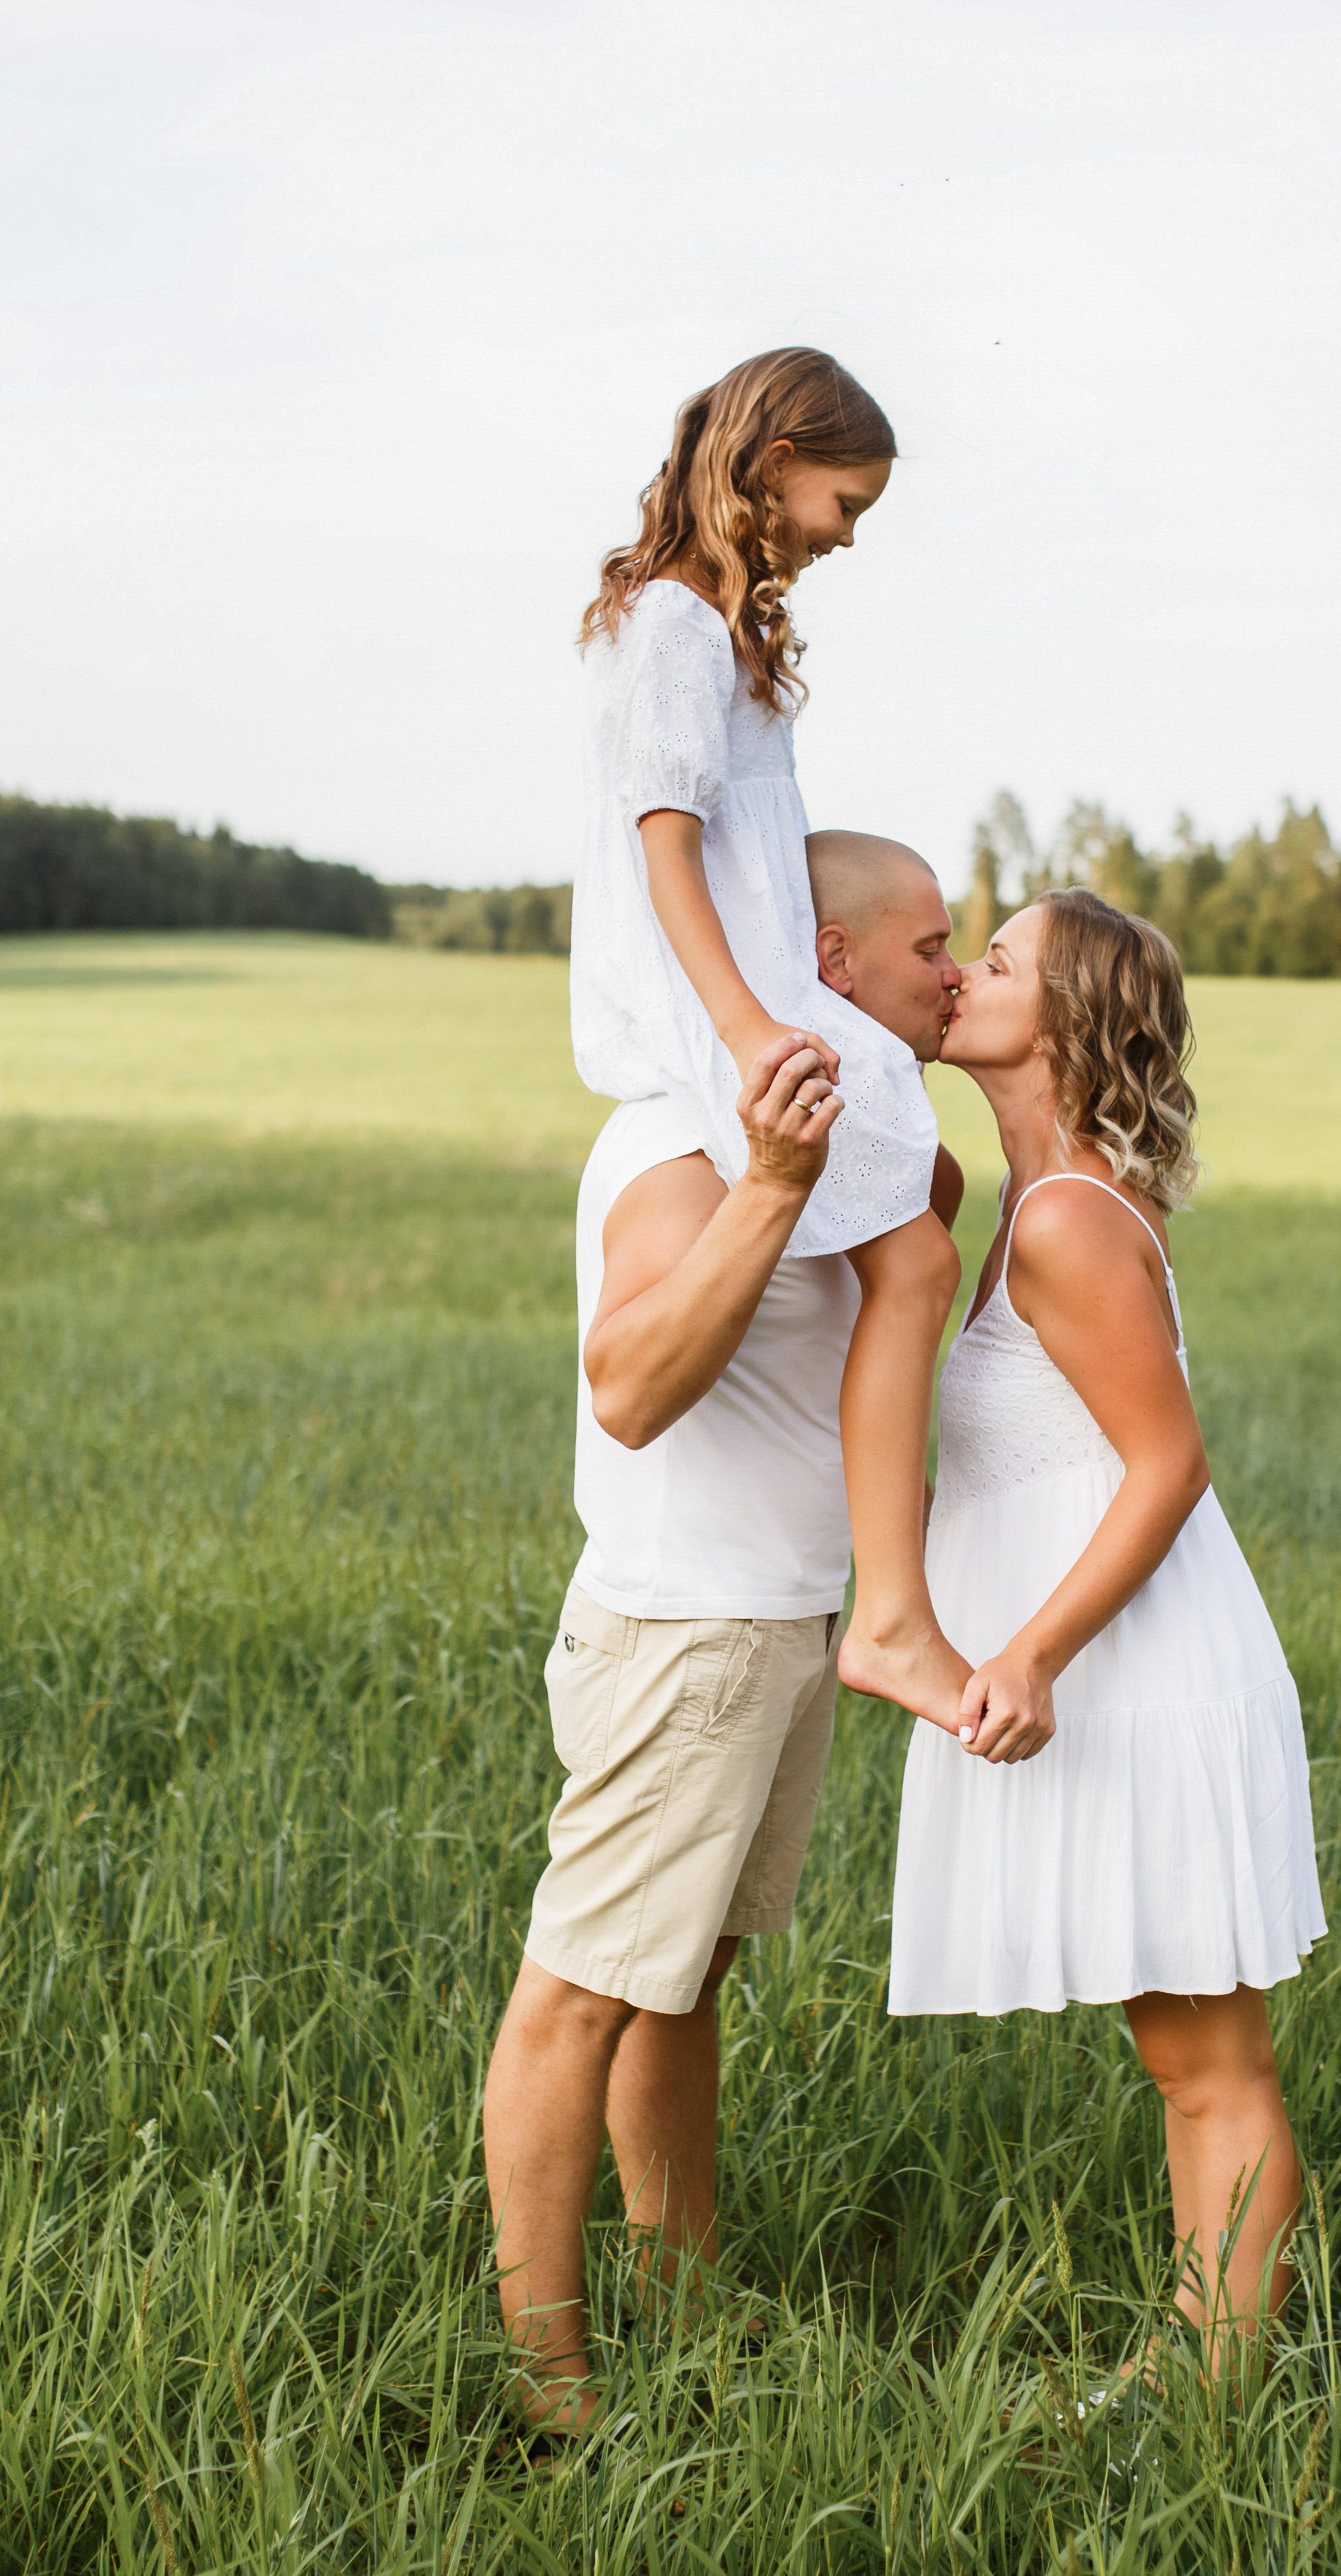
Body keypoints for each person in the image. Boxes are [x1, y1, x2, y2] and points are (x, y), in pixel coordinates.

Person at [483, 838, 964, 2442]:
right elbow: (625, 1384)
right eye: (928, 949)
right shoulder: (683, 1144)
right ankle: (547, 2371)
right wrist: (765, 1182)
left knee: (681, 1980)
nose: (950, 975)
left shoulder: (854, 1137)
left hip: (774, 1623)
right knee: (582, 1990)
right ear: (827, 956)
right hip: (683, 1631)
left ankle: (681, 2286)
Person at [889, 890, 1327, 2369]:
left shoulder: (1070, 1218)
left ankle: (1221, 2398)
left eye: (995, 961)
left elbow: (1166, 1464)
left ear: (1062, 1021)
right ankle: (1205, 2351)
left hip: (1149, 1677)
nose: (958, 973)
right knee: (1185, 2059)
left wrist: (1024, 1653)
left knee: (1208, 2061)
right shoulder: (1034, 1200)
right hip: (1135, 1671)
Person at [573, 348, 968, 1729]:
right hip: (729, 1007)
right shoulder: (679, 625)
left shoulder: (713, 629)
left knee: (931, 1200)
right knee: (916, 1255)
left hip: (753, 997)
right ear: (774, 463)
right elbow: (664, 841)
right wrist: (747, 1023)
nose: (848, 534)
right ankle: (899, 1611)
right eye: (845, 500)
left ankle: (900, 1530)